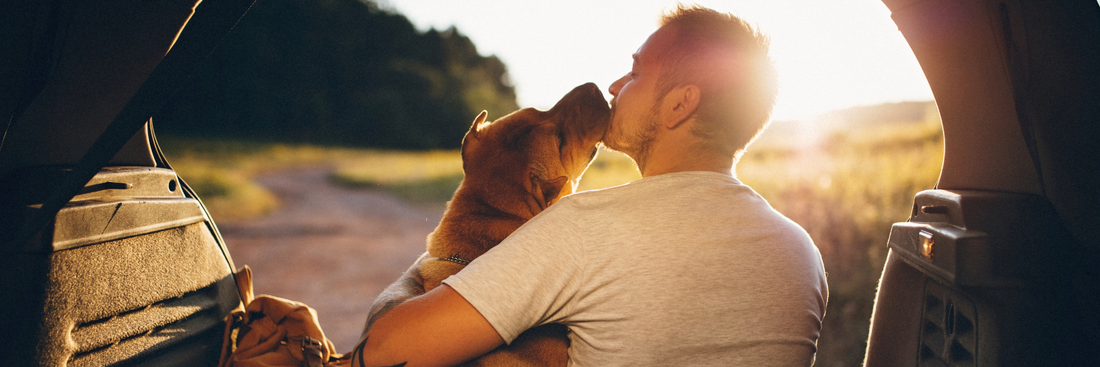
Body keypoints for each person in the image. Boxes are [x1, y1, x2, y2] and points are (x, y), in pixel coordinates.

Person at [354, 5, 828, 366]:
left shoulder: (583, 230)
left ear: (680, 104)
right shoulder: (801, 252)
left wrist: (423, 273)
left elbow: (385, 351)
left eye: (637, 73)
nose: (616, 84)